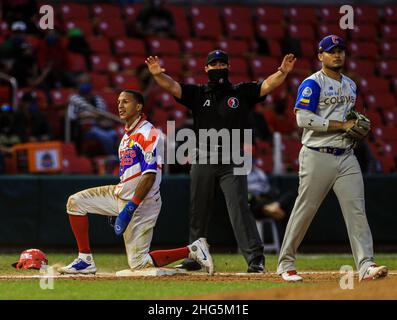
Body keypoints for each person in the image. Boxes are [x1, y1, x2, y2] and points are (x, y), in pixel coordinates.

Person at [145, 50, 296, 273]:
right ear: (206, 69)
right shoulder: (198, 93)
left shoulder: (240, 91)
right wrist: (158, 75)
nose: (218, 68)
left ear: (228, 66)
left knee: (239, 208)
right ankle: (195, 257)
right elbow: (173, 87)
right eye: (213, 65)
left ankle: (255, 259)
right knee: (199, 209)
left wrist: (282, 71)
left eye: (221, 64)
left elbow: (266, 86)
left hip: (233, 158)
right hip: (203, 155)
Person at [59, 90, 214, 275]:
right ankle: (85, 260)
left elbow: (149, 176)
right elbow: (129, 175)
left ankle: (193, 250)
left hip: (142, 204)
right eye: (118, 102)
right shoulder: (126, 136)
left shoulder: (148, 133)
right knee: (75, 203)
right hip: (121, 194)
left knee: (139, 265)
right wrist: (116, 206)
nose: (120, 105)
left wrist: (129, 208)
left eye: (125, 102)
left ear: (139, 106)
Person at [277, 35, 388, 282]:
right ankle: (286, 263)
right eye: (331, 51)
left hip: (346, 156)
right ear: (320, 56)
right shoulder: (312, 83)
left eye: (340, 51)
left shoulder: (350, 84)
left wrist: (354, 127)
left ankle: (366, 265)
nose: (337, 55)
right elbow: (302, 119)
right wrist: (341, 125)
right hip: (317, 155)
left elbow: (350, 119)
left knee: (357, 211)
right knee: (305, 210)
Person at [67, 73, 118, 155]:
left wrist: (90, 115)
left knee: (114, 134)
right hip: (85, 129)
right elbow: (72, 116)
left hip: (101, 126)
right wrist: (89, 116)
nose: (85, 85)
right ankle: (113, 157)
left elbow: (104, 115)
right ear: (78, 85)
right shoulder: (74, 99)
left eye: (87, 83)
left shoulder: (98, 99)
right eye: (82, 83)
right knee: (105, 136)